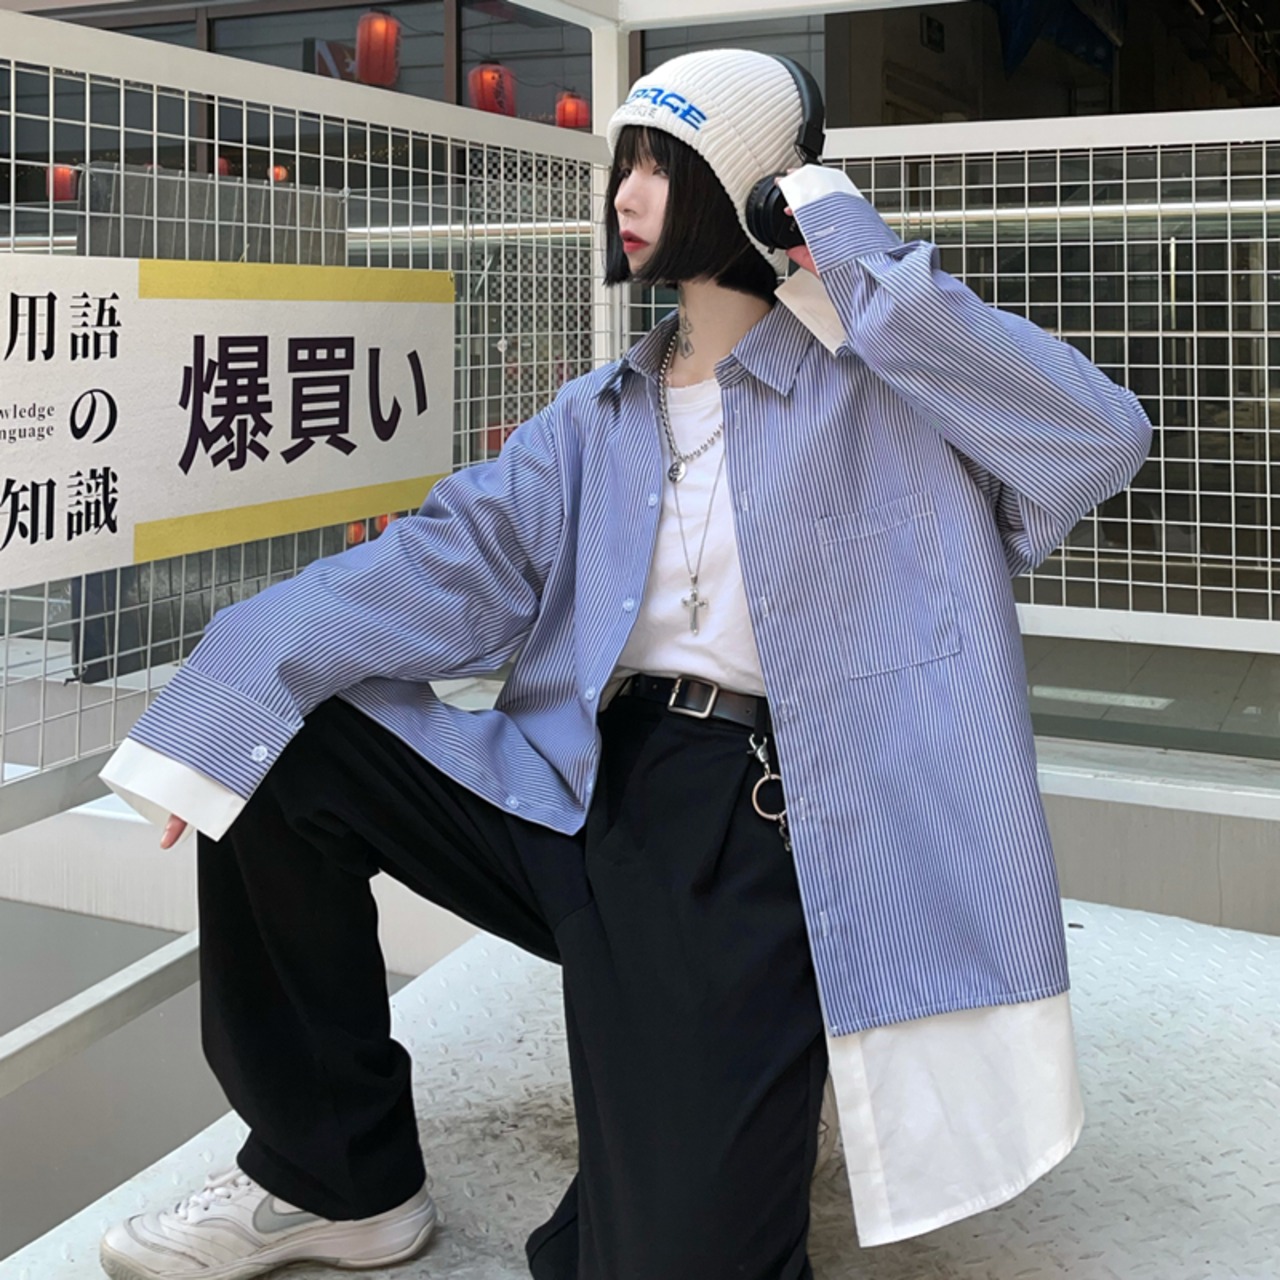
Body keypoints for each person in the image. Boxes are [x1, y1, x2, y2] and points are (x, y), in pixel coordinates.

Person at [97, 48, 1151, 1280]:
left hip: (757, 817)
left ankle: (727, 1069)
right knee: (281, 744)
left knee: (669, 1258)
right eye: (624, 164)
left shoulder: (883, 395)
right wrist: (224, 696)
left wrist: (848, 251)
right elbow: (438, 565)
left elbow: (1094, 438)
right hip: (577, 780)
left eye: (663, 163)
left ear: (750, 189)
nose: (627, 192)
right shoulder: (595, 417)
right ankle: (334, 1176)